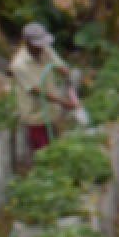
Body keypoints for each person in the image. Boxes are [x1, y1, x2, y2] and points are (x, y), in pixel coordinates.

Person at [11, 22, 78, 153]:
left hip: (51, 110)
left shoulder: (43, 48)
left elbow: (58, 64)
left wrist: (65, 73)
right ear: (27, 42)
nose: (41, 47)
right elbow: (36, 91)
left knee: (55, 146)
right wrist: (62, 101)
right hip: (35, 114)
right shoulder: (19, 64)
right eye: (37, 44)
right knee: (42, 151)